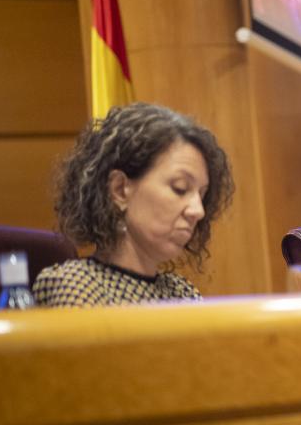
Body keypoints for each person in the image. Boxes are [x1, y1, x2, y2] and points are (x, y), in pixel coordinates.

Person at [33, 103, 234, 307]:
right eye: (180, 188)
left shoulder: (182, 292)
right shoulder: (76, 284)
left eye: (201, 194)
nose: (198, 211)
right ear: (120, 189)